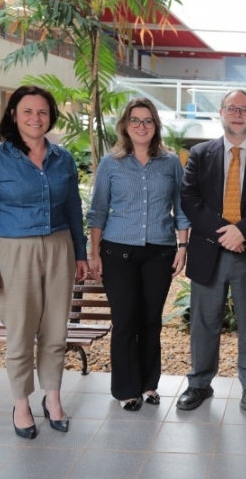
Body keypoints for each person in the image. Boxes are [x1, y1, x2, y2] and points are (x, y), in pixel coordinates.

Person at [0, 85, 88, 439]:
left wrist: (80, 253)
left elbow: (73, 210)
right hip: (14, 252)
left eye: (43, 112)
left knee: (55, 329)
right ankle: (21, 403)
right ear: (13, 116)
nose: (36, 118)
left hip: (59, 248)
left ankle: (53, 397)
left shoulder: (62, 158)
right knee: (20, 333)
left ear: (51, 116)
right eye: (28, 112)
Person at [177, 89, 246, 411]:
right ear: (221, 113)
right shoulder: (200, 153)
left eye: (245, 109)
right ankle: (199, 384)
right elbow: (190, 199)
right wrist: (225, 233)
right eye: (232, 108)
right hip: (210, 252)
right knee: (204, 323)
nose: (238, 114)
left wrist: (242, 231)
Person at [87, 97, 190, 411]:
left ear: (155, 125)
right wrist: (94, 253)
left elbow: (182, 209)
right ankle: (125, 390)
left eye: (148, 120)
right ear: (125, 125)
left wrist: (183, 246)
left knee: (150, 321)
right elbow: (98, 211)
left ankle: (148, 385)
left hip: (159, 252)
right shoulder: (111, 163)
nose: (141, 126)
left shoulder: (171, 162)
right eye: (135, 120)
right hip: (118, 252)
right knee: (125, 320)